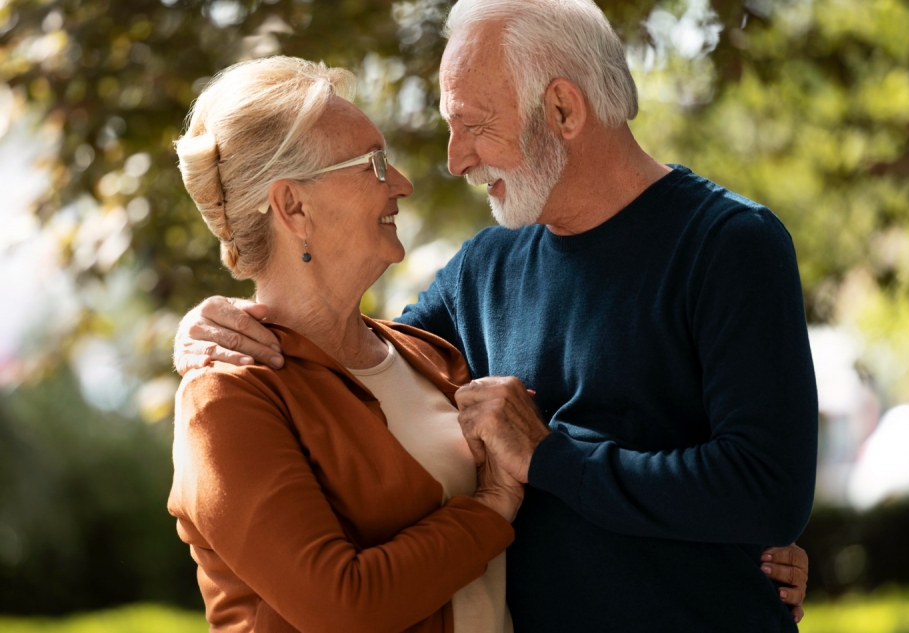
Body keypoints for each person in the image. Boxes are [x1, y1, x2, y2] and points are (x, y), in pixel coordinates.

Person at [174, 0, 817, 630]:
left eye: (473, 124)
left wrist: (551, 459)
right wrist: (210, 325)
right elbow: (349, 365)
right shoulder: (484, 269)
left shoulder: (730, 243)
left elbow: (766, 489)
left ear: (562, 108)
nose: (453, 161)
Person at [168, 56, 523, 632]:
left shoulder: (428, 354)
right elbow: (344, 609)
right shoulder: (226, 401)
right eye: (374, 165)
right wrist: (495, 503)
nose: (402, 184)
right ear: (292, 206)